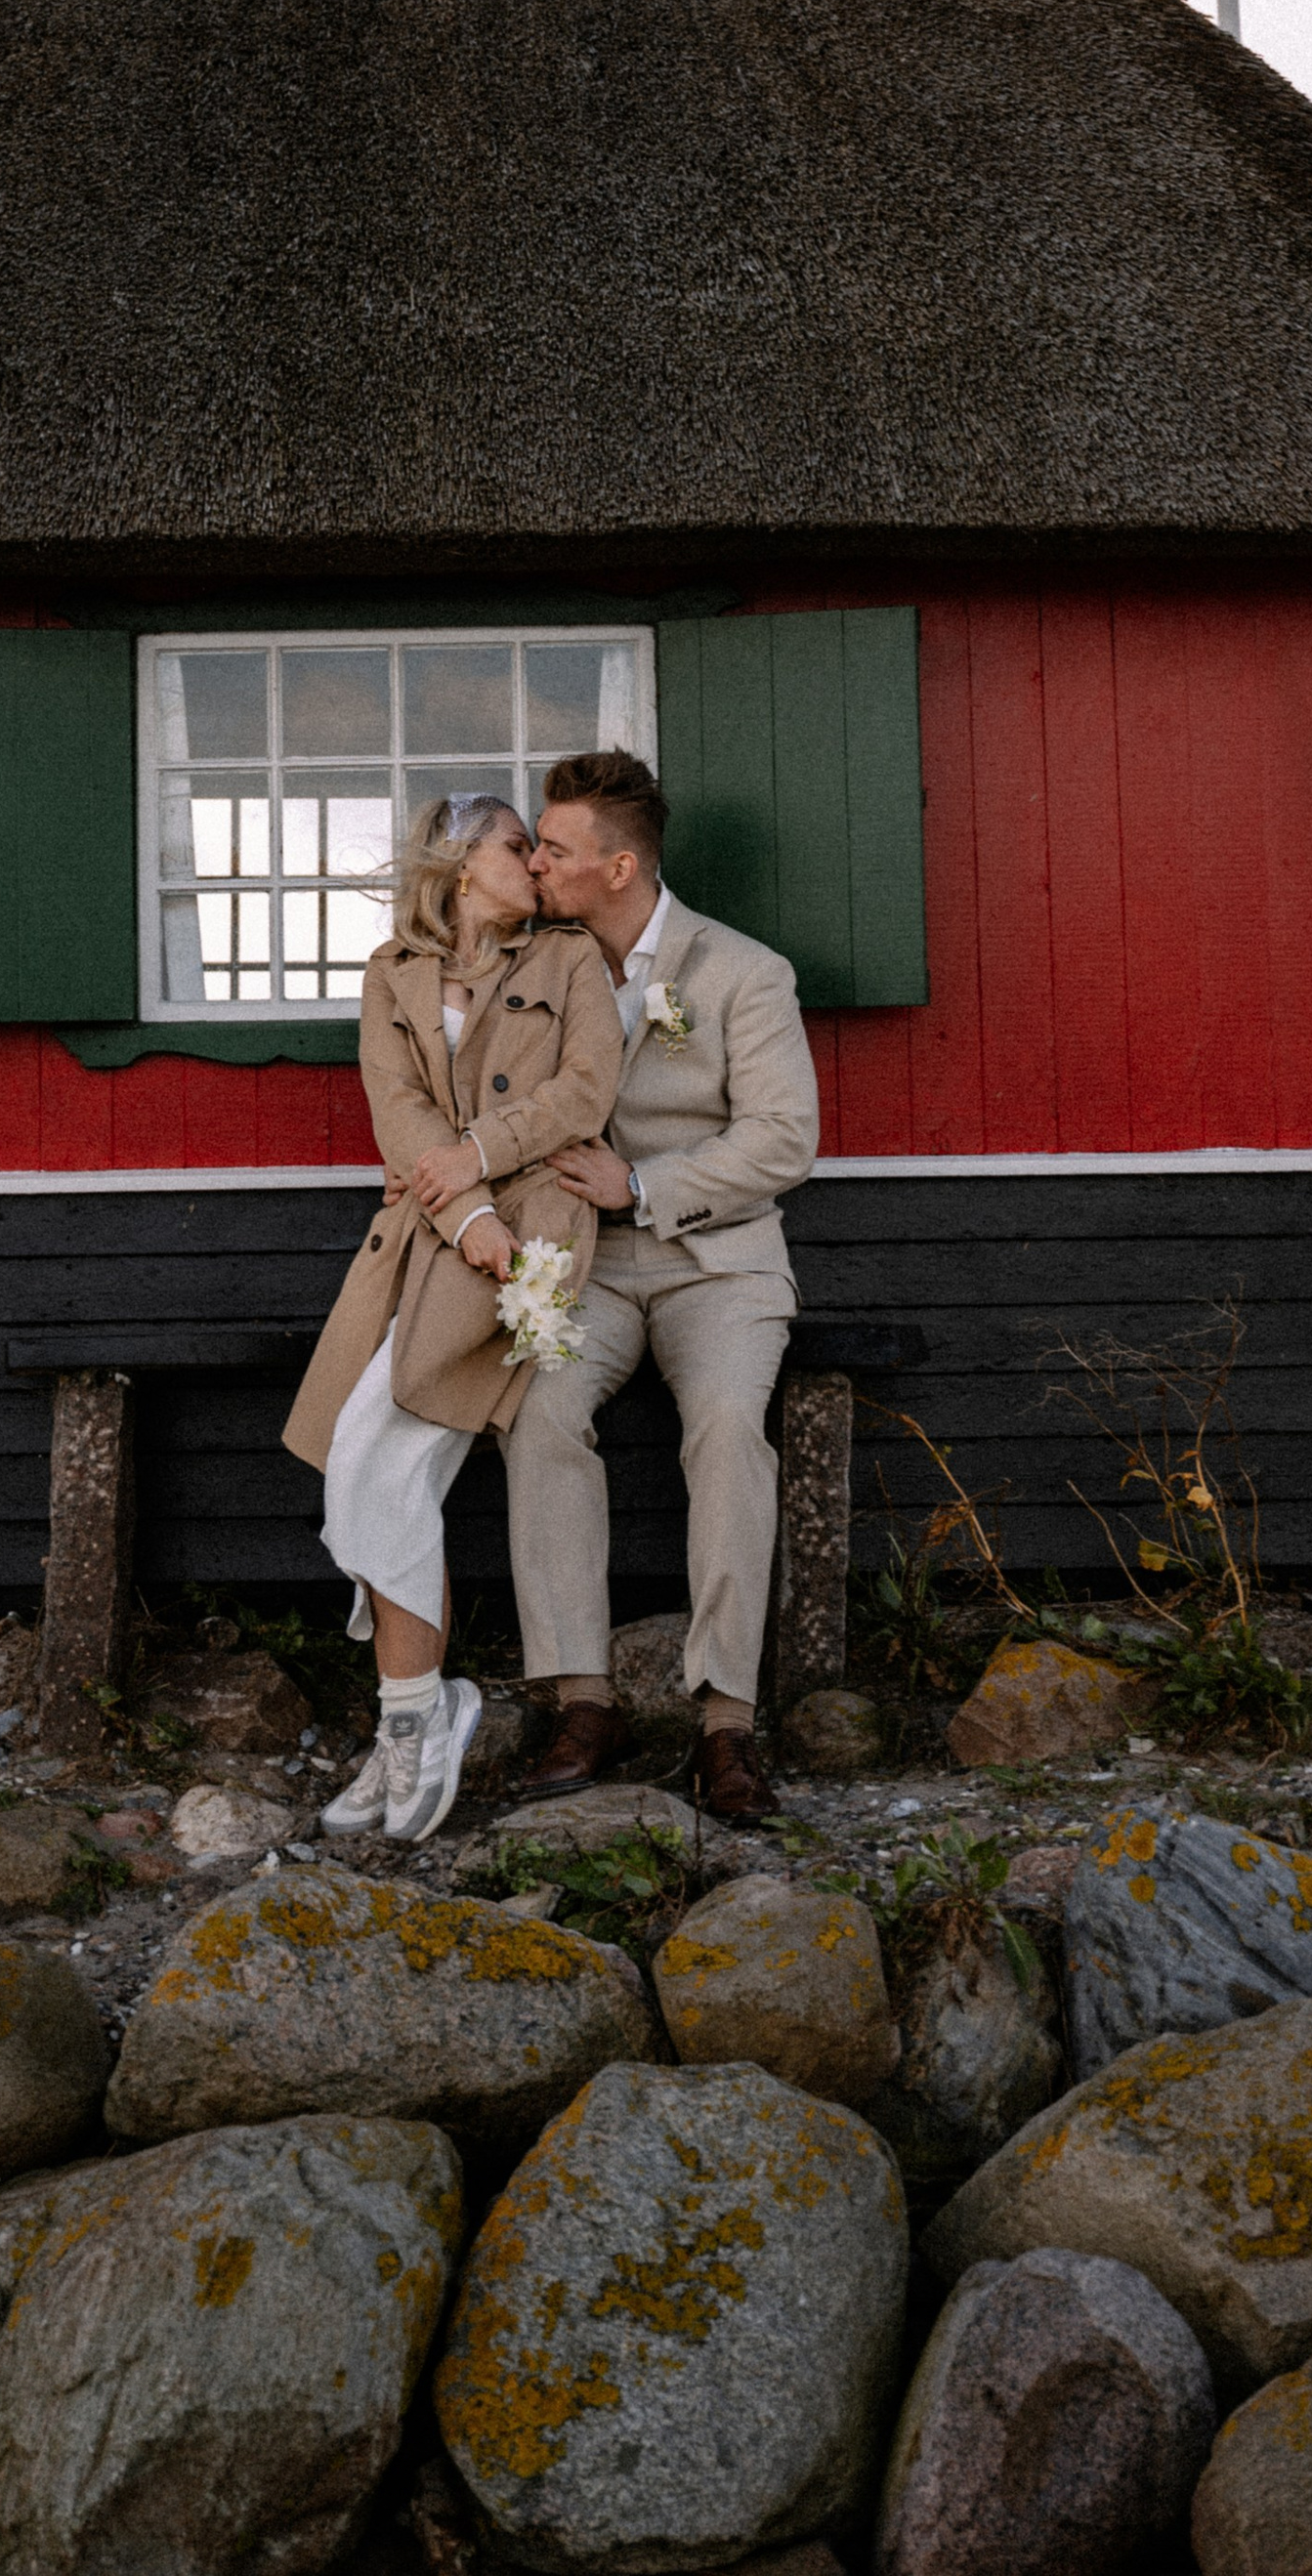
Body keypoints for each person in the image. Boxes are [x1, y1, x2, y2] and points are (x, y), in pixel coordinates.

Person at [282, 790, 622, 1844]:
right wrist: (462, 1206)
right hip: (433, 1235)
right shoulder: (393, 971)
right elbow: (399, 1109)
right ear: (462, 862)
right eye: (519, 845)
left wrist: (478, 1166)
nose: (538, 862)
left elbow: (585, 1089)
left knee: (379, 1458)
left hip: (527, 1241)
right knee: (366, 1465)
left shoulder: (569, 958)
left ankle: (413, 1723)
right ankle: (419, 1716)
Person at [502, 746, 819, 1827]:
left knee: (727, 1428)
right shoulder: (535, 966)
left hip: (717, 1262)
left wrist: (643, 1184)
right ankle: (581, 1700)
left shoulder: (742, 971)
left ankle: (726, 1719)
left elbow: (784, 1139)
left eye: (554, 847)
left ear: (620, 867)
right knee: (538, 1413)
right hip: (583, 1266)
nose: (535, 862)